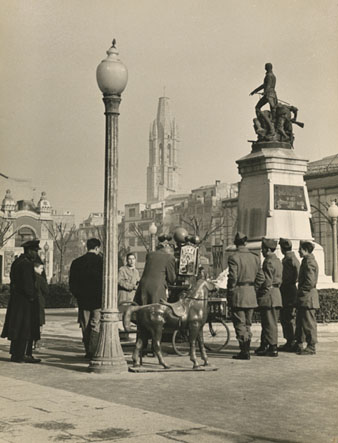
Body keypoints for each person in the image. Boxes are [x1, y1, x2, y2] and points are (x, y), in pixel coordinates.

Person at [1, 240, 41, 363]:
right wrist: (33, 297)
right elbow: (28, 285)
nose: (36, 254)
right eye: (34, 251)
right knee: (26, 328)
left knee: (17, 327)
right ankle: (24, 354)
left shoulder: (16, 262)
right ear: (29, 251)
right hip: (25, 303)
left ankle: (16, 353)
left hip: (16, 301)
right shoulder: (27, 264)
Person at [227, 232, 264, 360]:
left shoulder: (234, 257)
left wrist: (231, 291)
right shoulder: (255, 257)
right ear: (245, 242)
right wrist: (254, 288)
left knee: (240, 323)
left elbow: (233, 278)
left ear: (236, 243)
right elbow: (261, 277)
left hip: (239, 293)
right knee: (248, 324)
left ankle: (244, 350)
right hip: (251, 294)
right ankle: (246, 349)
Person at [69, 238, 103, 359]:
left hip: (83, 301)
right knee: (96, 325)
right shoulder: (102, 262)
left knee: (85, 325)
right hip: (98, 301)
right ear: (97, 248)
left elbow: (72, 283)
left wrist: (78, 295)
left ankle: (88, 350)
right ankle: (93, 351)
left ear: (87, 247)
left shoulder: (77, 262)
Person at [255, 238, 283, 357]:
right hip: (276, 294)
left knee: (269, 323)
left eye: (263, 249)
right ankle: (265, 345)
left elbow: (267, 281)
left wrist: (259, 292)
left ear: (267, 249)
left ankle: (272, 347)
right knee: (270, 322)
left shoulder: (268, 261)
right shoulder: (278, 261)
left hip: (269, 296)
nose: (262, 252)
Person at [134, 240, 176, 306]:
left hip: (142, 288)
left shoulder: (150, 255)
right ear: (168, 248)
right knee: (156, 312)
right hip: (156, 290)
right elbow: (171, 279)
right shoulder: (169, 257)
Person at [295, 241, 319, 355]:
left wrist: (301, 291)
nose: (299, 251)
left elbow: (310, 281)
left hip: (308, 297)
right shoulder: (306, 261)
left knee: (309, 323)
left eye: (300, 249)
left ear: (305, 250)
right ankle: (299, 344)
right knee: (300, 322)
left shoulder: (309, 262)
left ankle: (311, 346)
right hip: (305, 297)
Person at [278, 238, 300, 352]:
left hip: (288, 291)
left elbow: (291, 276)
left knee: (287, 317)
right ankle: (290, 341)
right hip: (289, 290)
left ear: (282, 248)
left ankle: (291, 341)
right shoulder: (292, 258)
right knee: (287, 317)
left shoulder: (289, 260)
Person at [32, 258, 49, 350]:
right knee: (39, 323)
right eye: (41, 268)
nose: (42, 270)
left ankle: (29, 344)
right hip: (39, 303)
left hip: (30, 304)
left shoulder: (28, 277)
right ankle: (36, 343)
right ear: (36, 268)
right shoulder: (40, 279)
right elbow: (46, 291)